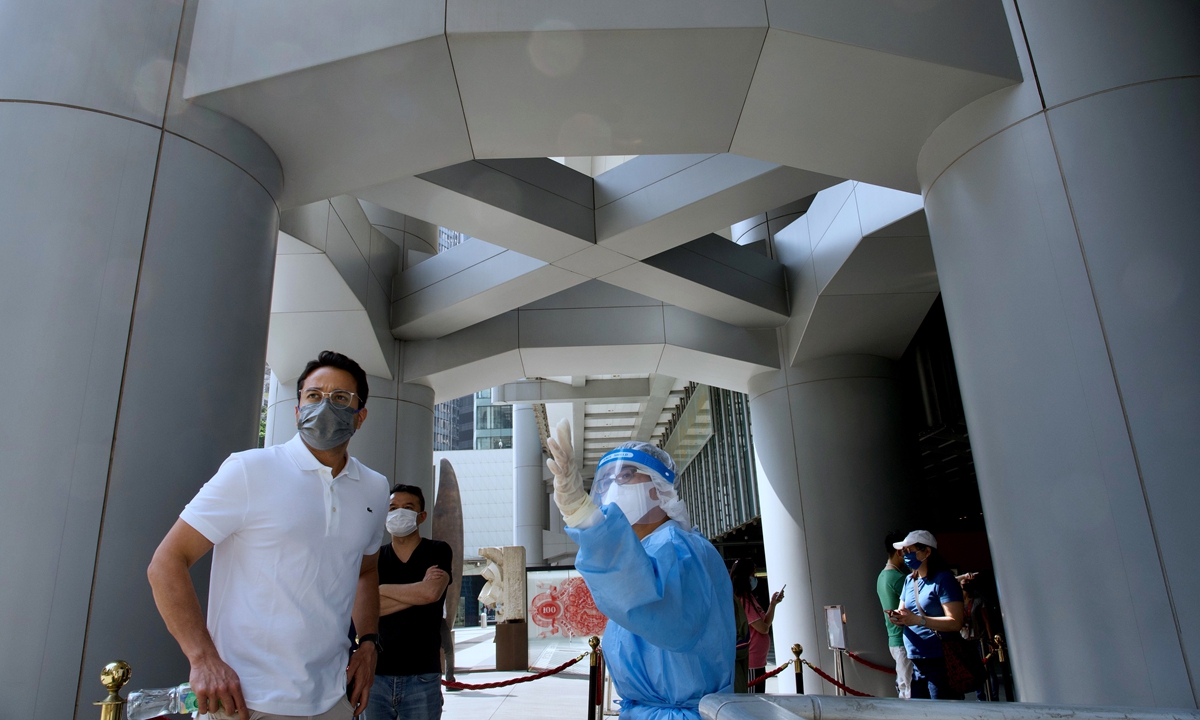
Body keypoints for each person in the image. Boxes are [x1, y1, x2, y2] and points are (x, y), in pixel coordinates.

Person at [148, 351, 387, 720]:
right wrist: (203, 659)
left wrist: (368, 642)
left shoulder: (374, 488)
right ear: (297, 411)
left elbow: (366, 571)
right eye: (313, 396)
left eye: (340, 398)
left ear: (361, 416)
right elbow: (166, 563)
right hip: (245, 700)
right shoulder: (249, 470)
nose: (325, 405)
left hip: (332, 699)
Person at [546, 421, 734, 720]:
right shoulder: (646, 552)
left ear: (659, 490)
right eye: (606, 480)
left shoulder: (678, 547)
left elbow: (650, 606)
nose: (611, 487)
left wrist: (584, 516)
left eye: (626, 476)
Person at [369, 484, 452, 720]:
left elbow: (431, 594)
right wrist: (417, 592)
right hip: (377, 675)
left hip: (422, 675)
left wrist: (381, 590)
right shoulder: (375, 557)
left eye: (408, 507)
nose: (398, 513)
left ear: (421, 516)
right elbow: (367, 608)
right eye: (393, 508)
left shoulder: (438, 550)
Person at [885, 530, 966, 700]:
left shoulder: (944, 579)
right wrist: (898, 617)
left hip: (939, 660)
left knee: (942, 711)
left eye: (910, 551)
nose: (906, 556)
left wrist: (918, 620)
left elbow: (955, 622)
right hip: (915, 660)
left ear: (927, 551)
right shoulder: (909, 580)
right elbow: (904, 611)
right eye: (903, 552)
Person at [730, 560, 783, 693]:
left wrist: (773, 604)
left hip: (757, 661)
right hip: (752, 661)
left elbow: (765, 623)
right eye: (752, 575)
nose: (754, 578)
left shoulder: (749, 598)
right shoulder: (742, 600)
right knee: (753, 700)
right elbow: (763, 628)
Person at [876, 530, 913, 698]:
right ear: (899, 551)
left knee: (904, 687)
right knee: (910, 690)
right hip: (905, 639)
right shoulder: (899, 578)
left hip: (894, 639)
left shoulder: (882, 576)